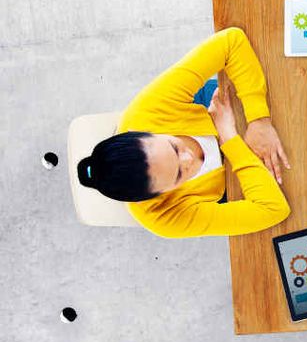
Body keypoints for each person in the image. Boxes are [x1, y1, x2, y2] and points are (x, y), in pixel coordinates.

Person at [76, 28, 290, 238]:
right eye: (179, 174)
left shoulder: (146, 111)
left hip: (221, 108)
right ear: (158, 196)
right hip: (232, 177)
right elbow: (272, 209)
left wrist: (259, 119)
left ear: (148, 132)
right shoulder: (161, 218)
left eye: (174, 147)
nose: (189, 157)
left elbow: (231, 42)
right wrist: (229, 137)